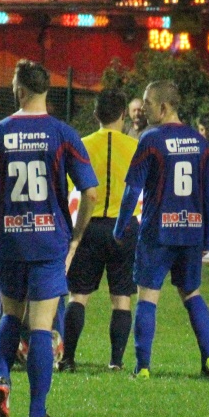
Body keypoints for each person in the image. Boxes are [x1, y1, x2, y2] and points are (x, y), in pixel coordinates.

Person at [0, 60, 98, 417]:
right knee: (41, 324)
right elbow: (90, 193)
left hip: (10, 240)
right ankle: (37, 412)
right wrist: (76, 238)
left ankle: (2, 377)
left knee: (10, 314)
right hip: (48, 240)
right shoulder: (63, 133)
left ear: (20, 90)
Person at [115, 80, 209, 379]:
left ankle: (143, 367)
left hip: (157, 233)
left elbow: (132, 189)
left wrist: (121, 226)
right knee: (192, 294)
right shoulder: (200, 142)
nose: (143, 110)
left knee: (147, 297)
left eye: (148, 104)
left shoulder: (151, 139)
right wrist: (207, 236)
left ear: (163, 107)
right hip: (191, 231)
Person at [60, 89, 140, 373]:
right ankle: (116, 362)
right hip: (125, 228)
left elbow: (65, 187)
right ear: (123, 114)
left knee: (78, 296)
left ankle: (68, 359)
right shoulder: (135, 147)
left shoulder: (82, 145)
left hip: (90, 227)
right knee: (122, 298)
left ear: (95, 114)